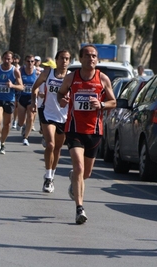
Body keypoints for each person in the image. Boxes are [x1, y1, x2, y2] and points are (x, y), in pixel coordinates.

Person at [57, 44, 116, 224]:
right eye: (88, 56)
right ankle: (79, 209)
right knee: (79, 167)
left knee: (86, 173)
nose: (91, 59)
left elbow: (113, 102)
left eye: (94, 56)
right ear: (81, 58)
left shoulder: (103, 79)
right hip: (74, 129)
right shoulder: (71, 77)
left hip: (94, 131)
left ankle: (74, 181)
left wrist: (102, 105)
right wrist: (63, 99)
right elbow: (60, 95)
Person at [31, 50, 71, 193]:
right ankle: (48, 177)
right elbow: (34, 87)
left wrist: (69, 101)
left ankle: (52, 174)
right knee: (50, 144)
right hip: (47, 113)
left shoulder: (71, 77)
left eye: (67, 59)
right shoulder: (47, 74)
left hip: (64, 116)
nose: (64, 61)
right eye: (62, 58)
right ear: (56, 60)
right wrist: (34, 102)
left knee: (58, 148)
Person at [0, 51, 24, 154]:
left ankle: (2, 144)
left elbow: (21, 87)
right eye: (5, 58)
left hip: (9, 99)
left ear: (12, 60)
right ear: (2, 59)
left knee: (7, 124)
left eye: (9, 59)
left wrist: (12, 86)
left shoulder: (15, 71)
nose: (7, 61)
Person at [18, 54, 38, 146]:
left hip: (32, 98)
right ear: (25, 62)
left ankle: (26, 138)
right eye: (28, 61)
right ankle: (23, 126)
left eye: (32, 61)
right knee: (21, 122)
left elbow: (40, 84)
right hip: (22, 97)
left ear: (34, 62)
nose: (30, 63)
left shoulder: (37, 72)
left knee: (30, 117)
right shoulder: (21, 71)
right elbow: (16, 82)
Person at [12, 53, 21, 129]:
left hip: (17, 88)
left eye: (16, 59)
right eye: (13, 58)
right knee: (13, 105)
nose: (15, 60)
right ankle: (13, 120)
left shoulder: (20, 69)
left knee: (17, 105)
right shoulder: (10, 68)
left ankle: (15, 120)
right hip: (11, 88)